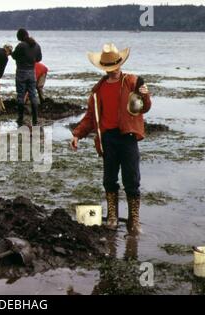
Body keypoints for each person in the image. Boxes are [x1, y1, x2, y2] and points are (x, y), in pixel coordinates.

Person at [71, 43, 151, 235]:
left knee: (132, 179)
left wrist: (145, 96)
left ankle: (134, 221)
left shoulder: (133, 82)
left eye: (115, 66)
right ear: (104, 68)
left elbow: (144, 107)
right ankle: (113, 218)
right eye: (109, 68)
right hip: (108, 139)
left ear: (119, 64)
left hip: (128, 137)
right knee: (109, 180)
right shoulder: (97, 91)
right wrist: (77, 134)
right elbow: (91, 117)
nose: (113, 70)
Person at [12, 28, 42, 127]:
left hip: (21, 72)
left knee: (20, 95)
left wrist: (11, 52)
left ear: (20, 37)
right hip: (32, 72)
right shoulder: (36, 45)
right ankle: (35, 119)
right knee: (33, 95)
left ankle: (20, 118)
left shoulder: (21, 45)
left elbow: (14, 56)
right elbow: (39, 59)